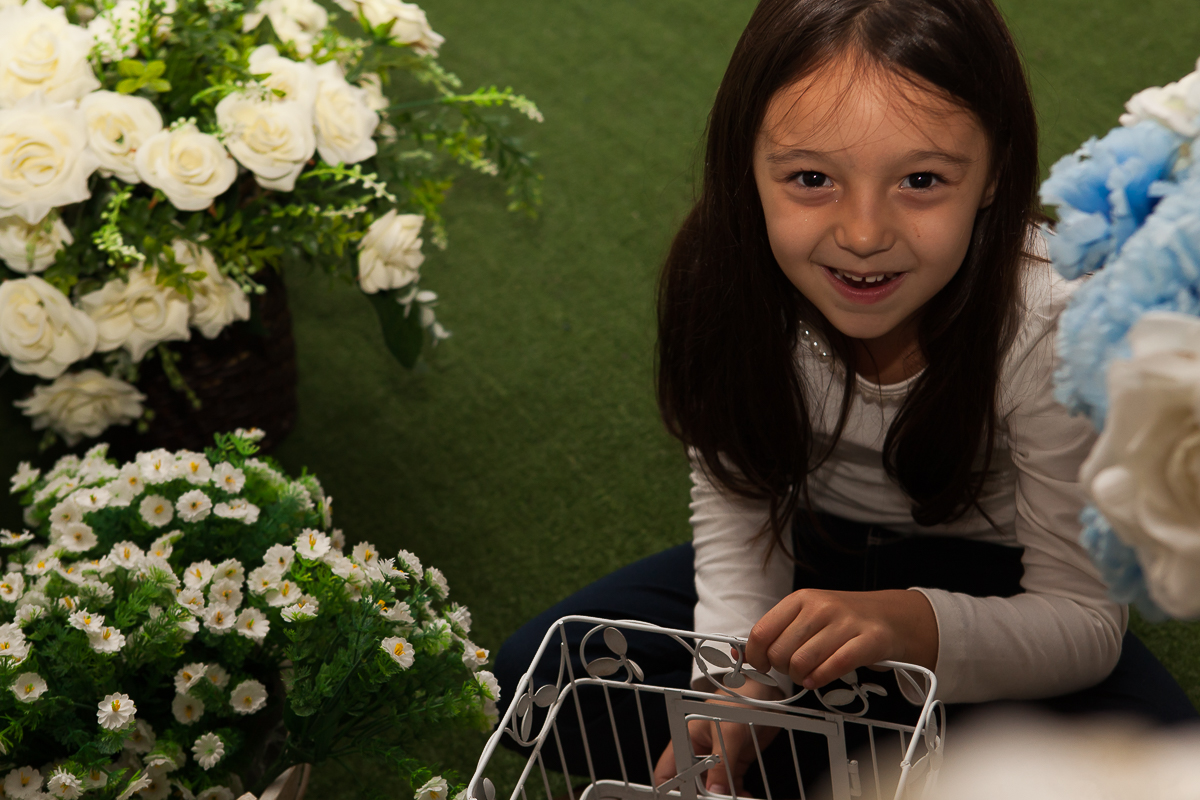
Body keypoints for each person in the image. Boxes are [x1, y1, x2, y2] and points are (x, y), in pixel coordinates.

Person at [494, 0, 1198, 794]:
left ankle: (862, 751)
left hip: (994, 586)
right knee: (533, 681)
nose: (864, 234)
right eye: (812, 179)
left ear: (996, 171)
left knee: (1163, 765)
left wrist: (909, 625)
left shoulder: (1052, 318)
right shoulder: (721, 285)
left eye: (922, 180)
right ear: (744, 168)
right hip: (807, 565)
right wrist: (734, 688)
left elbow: (1081, 622)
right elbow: (737, 516)